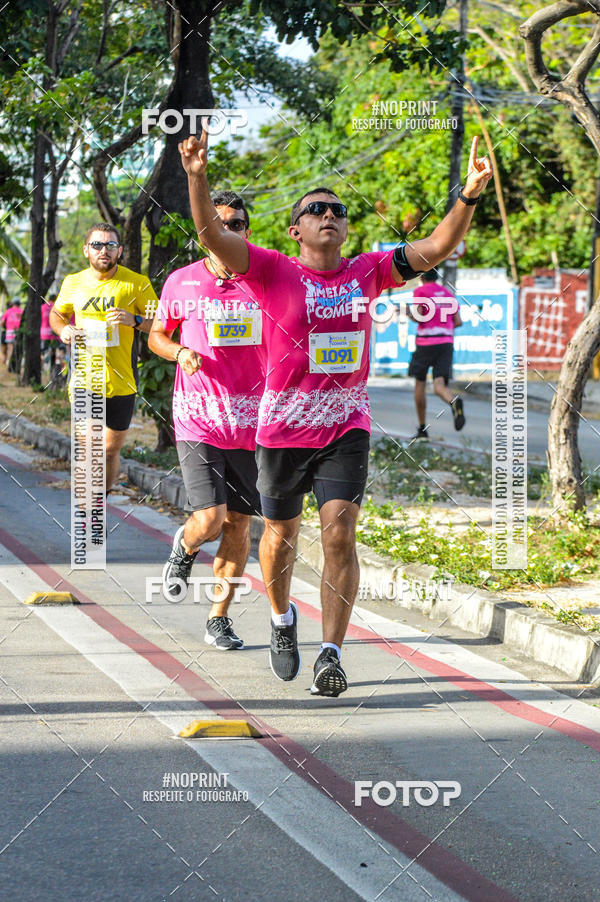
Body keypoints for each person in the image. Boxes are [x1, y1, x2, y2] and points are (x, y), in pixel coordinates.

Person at [180, 131, 492, 696]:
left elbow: (436, 247)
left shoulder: (369, 271)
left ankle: (331, 653)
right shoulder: (271, 270)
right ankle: (281, 622)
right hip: (279, 430)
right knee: (278, 536)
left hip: (345, 425)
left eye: (338, 210)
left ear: (347, 228)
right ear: (295, 229)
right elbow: (211, 235)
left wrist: (469, 193)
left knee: (340, 532)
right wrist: (196, 175)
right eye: (315, 210)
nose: (328, 215)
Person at [148, 192, 265, 651]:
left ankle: (218, 618)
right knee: (212, 518)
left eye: (237, 224)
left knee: (239, 524)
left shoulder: (265, 280)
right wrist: (179, 351)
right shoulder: (181, 282)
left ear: (247, 232)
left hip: (252, 423)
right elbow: (157, 335)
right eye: (219, 224)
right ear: (204, 233)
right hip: (198, 417)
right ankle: (187, 545)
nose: (229, 231)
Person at [49, 223, 158, 493]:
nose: (103, 250)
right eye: (97, 245)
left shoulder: (137, 283)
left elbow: (160, 323)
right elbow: (57, 314)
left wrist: (134, 319)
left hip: (122, 380)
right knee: (90, 446)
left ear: (119, 251)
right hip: (85, 378)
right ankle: (89, 509)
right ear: (87, 250)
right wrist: (64, 331)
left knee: (110, 450)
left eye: (110, 245)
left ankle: (102, 498)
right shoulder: (73, 282)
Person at [407, 269, 464, 441]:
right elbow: (458, 322)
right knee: (439, 386)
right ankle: (454, 402)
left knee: (420, 384)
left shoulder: (421, 291)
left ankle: (422, 429)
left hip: (426, 343)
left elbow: (419, 316)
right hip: (446, 343)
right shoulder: (448, 294)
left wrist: (408, 314)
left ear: (422, 277)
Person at [2, 298, 23, 371]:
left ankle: (10, 364)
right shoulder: (22, 311)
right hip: (19, 332)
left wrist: (5, 326)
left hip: (9, 332)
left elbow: (1, 322)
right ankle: (15, 365)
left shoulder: (8, 311)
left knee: (10, 348)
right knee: (17, 349)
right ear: (19, 304)